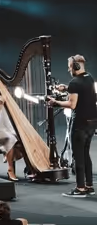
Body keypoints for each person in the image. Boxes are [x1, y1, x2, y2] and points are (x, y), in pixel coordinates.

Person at [47, 54, 97, 197]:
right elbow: (81, 90)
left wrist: (55, 103)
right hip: (92, 122)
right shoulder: (89, 78)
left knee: (78, 156)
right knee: (86, 154)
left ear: (75, 66)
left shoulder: (75, 82)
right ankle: (89, 186)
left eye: (69, 67)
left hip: (80, 123)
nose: (69, 70)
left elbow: (72, 104)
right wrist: (67, 88)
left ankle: (80, 188)